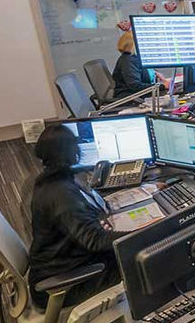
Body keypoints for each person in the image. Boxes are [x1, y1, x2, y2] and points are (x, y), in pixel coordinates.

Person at [27, 125, 125, 309]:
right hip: (64, 284)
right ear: (73, 152)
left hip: (60, 265)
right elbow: (96, 241)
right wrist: (143, 234)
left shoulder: (48, 180)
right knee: (139, 258)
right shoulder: (62, 194)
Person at [112, 31, 169, 98]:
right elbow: (136, 86)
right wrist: (162, 86)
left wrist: (154, 73)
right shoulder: (129, 60)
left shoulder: (136, 58)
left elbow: (142, 74)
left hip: (143, 95)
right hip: (132, 98)